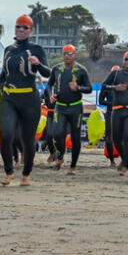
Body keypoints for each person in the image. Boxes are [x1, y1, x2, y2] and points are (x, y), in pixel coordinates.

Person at [0, 14, 50, 186]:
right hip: (9, 98)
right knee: (5, 135)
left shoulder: (36, 49)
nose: (20, 30)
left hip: (29, 98)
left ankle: (26, 173)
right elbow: (5, 75)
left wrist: (37, 64)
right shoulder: (9, 49)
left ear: (31, 30)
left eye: (24, 27)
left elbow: (47, 73)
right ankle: (9, 171)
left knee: (28, 139)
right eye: (18, 27)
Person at [46, 44, 92, 175]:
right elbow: (49, 85)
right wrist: (50, 94)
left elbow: (89, 88)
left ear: (74, 55)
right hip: (60, 107)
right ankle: (60, 156)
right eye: (65, 53)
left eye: (70, 53)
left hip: (76, 107)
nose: (67, 56)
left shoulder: (81, 70)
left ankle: (73, 166)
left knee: (75, 137)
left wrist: (78, 88)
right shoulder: (57, 68)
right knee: (57, 134)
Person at [99, 65, 120, 167]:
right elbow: (100, 100)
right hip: (110, 112)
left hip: (121, 112)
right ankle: (112, 160)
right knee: (109, 137)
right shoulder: (105, 85)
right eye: (113, 73)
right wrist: (111, 104)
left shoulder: (122, 85)